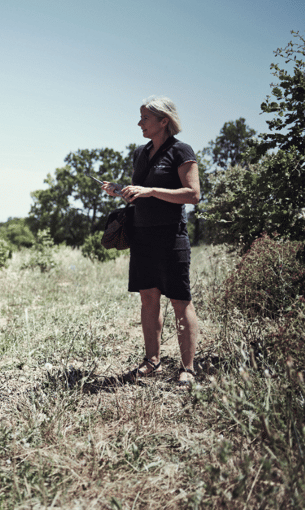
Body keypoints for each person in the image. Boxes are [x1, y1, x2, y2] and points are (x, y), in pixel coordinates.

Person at [103, 96, 201, 388]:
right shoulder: (140, 153)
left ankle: (188, 368)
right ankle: (152, 361)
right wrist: (122, 190)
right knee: (148, 298)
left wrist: (150, 190)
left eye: (145, 118)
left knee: (180, 301)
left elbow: (193, 195)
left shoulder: (181, 150)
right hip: (142, 235)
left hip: (171, 235)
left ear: (163, 121)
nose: (139, 123)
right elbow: (142, 193)